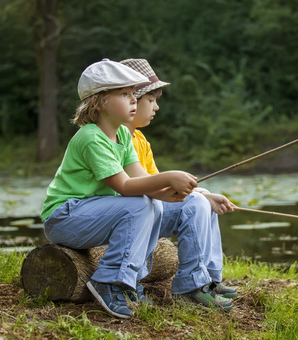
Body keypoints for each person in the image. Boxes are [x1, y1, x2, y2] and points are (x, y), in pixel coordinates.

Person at [40, 59, 198, 319]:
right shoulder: (91, 137)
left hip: (90, 215)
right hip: (64, 218)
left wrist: (166, 193)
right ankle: (108, 280)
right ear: (99, 101)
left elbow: (139, 179)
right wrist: (169, 176)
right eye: (124, 94)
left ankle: (130, 280)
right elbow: (125, 187)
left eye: (133, 93)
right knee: (138, 205)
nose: (134, 99)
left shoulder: (123, 136)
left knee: (152, 204)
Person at [120, 58, 238, 311]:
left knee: (202, 197)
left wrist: (205, 195)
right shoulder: (115, 138)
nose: (156, 107)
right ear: (130, 100)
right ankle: (189, 287)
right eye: (150, 100)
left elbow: (157, 186)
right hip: (132, 216)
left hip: (149, 210)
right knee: (195, 200)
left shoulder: (139, 139)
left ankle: (209, 279)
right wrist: (196, 196)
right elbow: (140, 188)